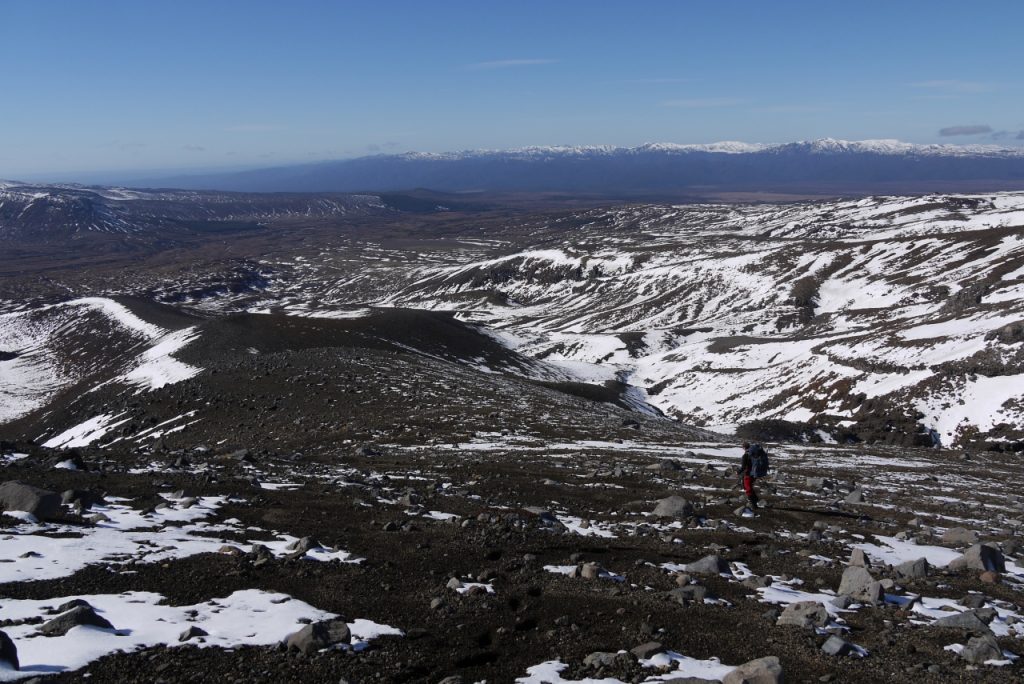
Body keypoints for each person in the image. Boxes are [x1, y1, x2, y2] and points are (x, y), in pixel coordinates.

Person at [739, 442, 759, 509]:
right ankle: (755, 500)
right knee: (749, 486)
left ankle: (753, 504)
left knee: (748, 488)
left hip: (748, 474)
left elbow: (743, 467)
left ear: (744, 448)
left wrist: (738, 472)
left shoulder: (746, 455)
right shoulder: (754, 454)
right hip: (754, 474)